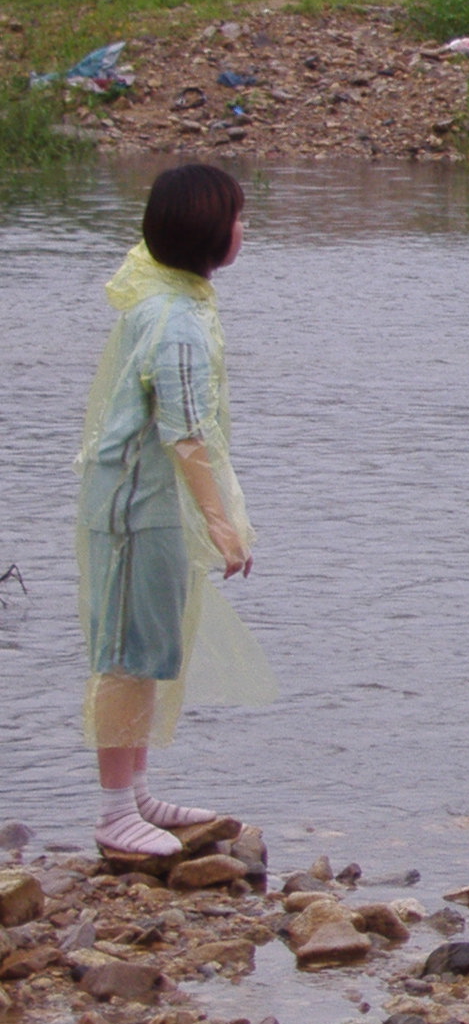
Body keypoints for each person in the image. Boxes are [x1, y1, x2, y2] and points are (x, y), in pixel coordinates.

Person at [76, 164, 271, 858]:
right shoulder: (177, 320)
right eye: (239, 219)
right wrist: (223, 525)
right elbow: (185, 433)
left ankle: (135, 794)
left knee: (149, 642)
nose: (245, 230)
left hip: (142, 499)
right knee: (127, 653)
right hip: (136, 504)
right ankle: (111, 813)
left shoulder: (166, 300)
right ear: (208, 233)